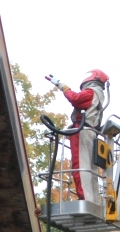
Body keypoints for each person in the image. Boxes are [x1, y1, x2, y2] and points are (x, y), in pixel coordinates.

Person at [45, 69, 109, 202]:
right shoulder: (100, 96)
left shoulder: (91, 92)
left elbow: (75, 99)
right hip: (91, 132)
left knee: (80, 165)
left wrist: (62, 86)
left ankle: (85, 198)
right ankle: (94, 201)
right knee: (92, 170)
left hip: (81, 131)